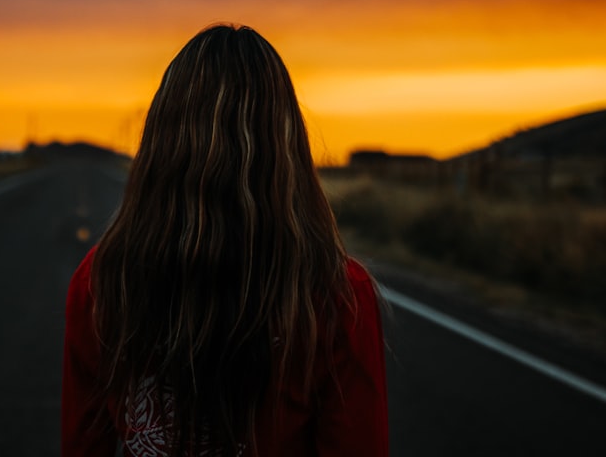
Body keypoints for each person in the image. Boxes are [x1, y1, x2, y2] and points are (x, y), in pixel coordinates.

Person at [62, 24, 388, 457]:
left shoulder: (101, 281)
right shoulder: (338, 295)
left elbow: (83, 445)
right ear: (286, 143)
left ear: (161, 141)